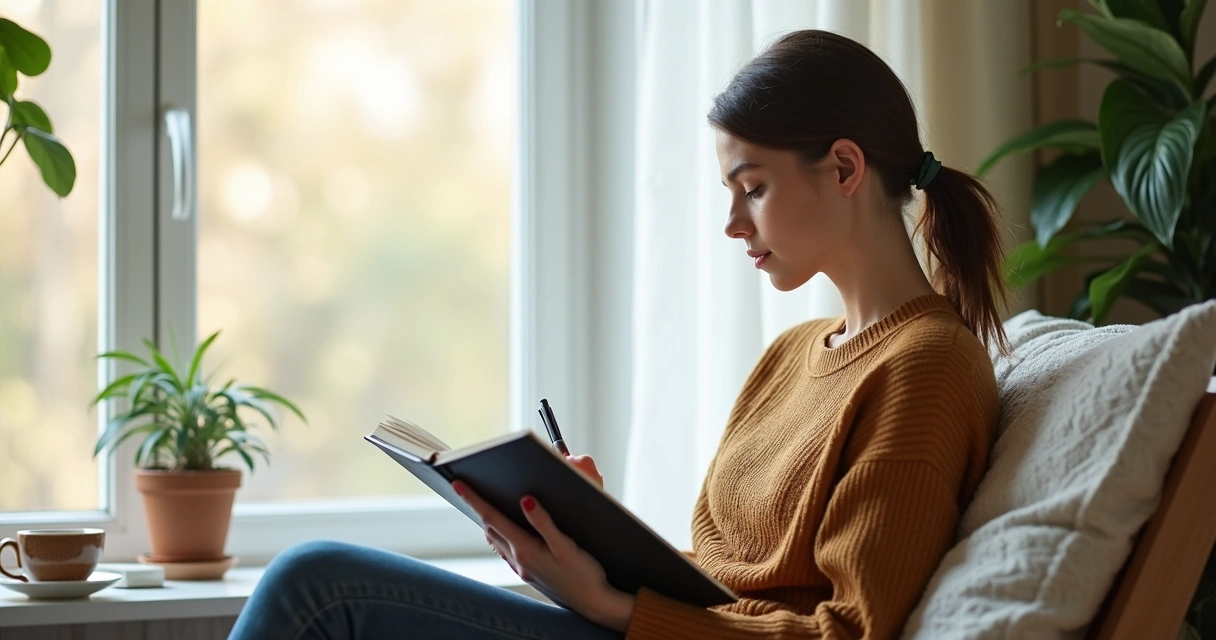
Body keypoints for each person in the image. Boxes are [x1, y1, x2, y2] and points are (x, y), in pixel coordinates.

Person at [228, 28, 1006, 640]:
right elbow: (729, 583)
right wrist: (597, 545)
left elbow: (848, 632)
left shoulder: (927, 368)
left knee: (317, 584)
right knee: (317, 581)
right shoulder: (793, 355)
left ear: (844, 168)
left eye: (754, 189)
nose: (733, 223)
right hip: (640, 631)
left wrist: (614, 611)